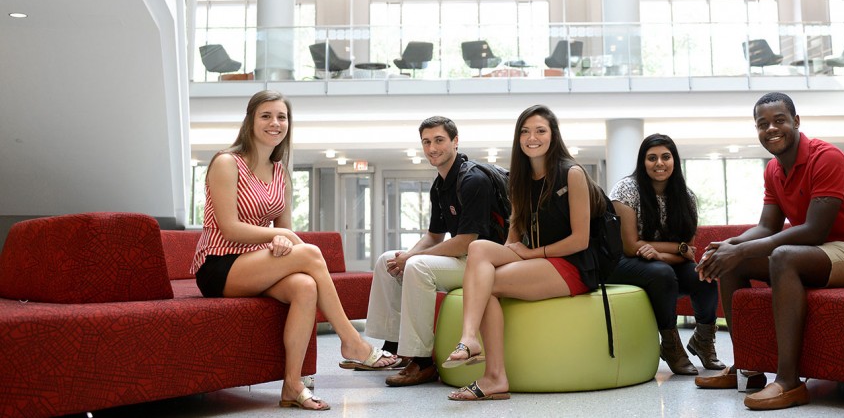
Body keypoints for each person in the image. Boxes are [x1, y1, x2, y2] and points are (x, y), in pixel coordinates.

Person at [190, 90, 397, 412]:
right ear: (250, 121)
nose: (275, 123)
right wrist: (281, 235)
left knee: (305, 285)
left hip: (257, 264)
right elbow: (229, 227)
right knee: (311, 254)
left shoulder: (280, 173)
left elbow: (284, 231)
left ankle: (292, 385)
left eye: (281, 117)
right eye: (266, 116)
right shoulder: (226, 162)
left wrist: (283, 238)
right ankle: (352, 341)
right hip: (220, 264)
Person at [694, 92, 844, 411]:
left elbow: (814, 230)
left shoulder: (827, 157)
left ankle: (788, 381)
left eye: (779, 120)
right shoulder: (773, 170)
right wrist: (732, 246)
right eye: (762, 124)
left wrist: (742, 250)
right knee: (731, 263)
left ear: (796, 121)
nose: (771, 128)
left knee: (784, 257)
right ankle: (747, 369)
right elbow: (767, 226)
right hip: (820, 252)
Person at [442, 104, 607, 401]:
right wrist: (496, 259)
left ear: (553, 135)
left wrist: (530, 255)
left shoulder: (572, 174)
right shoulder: (518, 178)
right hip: (536, 258)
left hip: (573, 265)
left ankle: (492, 374)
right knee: (479, 248)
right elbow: (514, 236)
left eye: (540, 131)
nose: (533, 137)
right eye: (525, 132)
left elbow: (580, 241)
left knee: (487, 283)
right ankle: (471, 342)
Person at [362, 116, 506, 387]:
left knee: (417, 267)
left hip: (485, 263)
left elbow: (465, 241)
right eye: (426, 142)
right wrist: (404, 257)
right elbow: (433, 235)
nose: (432, 148)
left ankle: (423, 362)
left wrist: (413, 259)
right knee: (387, 261)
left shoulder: (473, 180)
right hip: (464, 256)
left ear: (455, 141)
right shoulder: (440, 185)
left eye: (439, 140)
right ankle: (393, 349)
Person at [608, 133, 723, 376]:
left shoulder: (686, 196)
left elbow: (689, 254)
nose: (659, 163)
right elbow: (630, 246)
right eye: (652, 158)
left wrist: (662, 254)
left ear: (674, 161)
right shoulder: (627, 188)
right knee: (661, 273)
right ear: (643, 162)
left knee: (703, 274)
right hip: (621, 263)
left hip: (661, 264)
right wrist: (677, 249)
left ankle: (703, 341)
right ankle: (670, 346)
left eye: (665, 157)